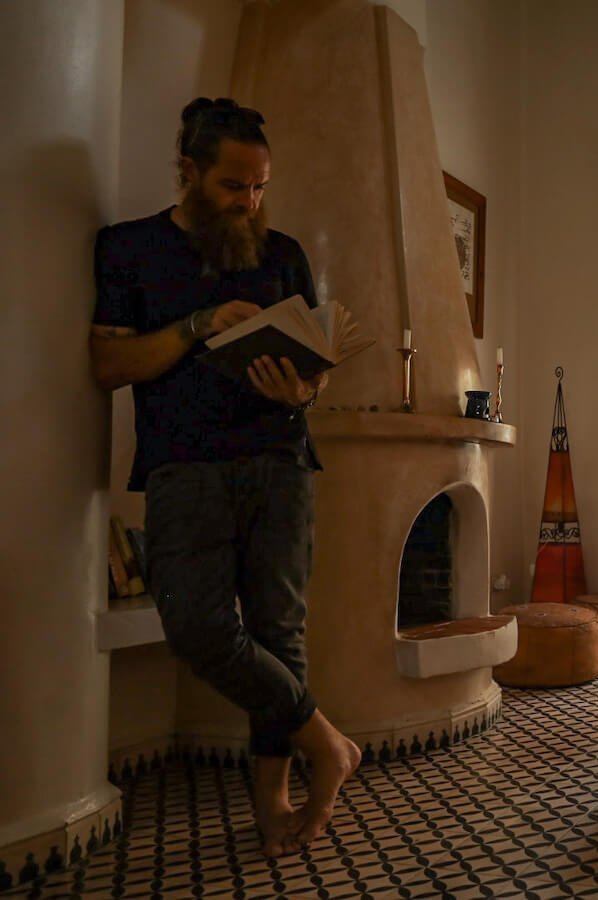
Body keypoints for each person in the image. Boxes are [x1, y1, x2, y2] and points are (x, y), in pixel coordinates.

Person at [89, 97, 360, 857]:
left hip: (281, 461)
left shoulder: (283, 253)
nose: (250, 202)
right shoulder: (129, 248)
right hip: (184, 466)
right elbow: (108, 365)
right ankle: (328, 743)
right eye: (234, 186)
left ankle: (273, 801)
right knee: (200, 628)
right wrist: (197, 326)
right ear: (189, 169)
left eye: (260, 187)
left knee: (279, 632)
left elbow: (316, 372)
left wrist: (302, 390)